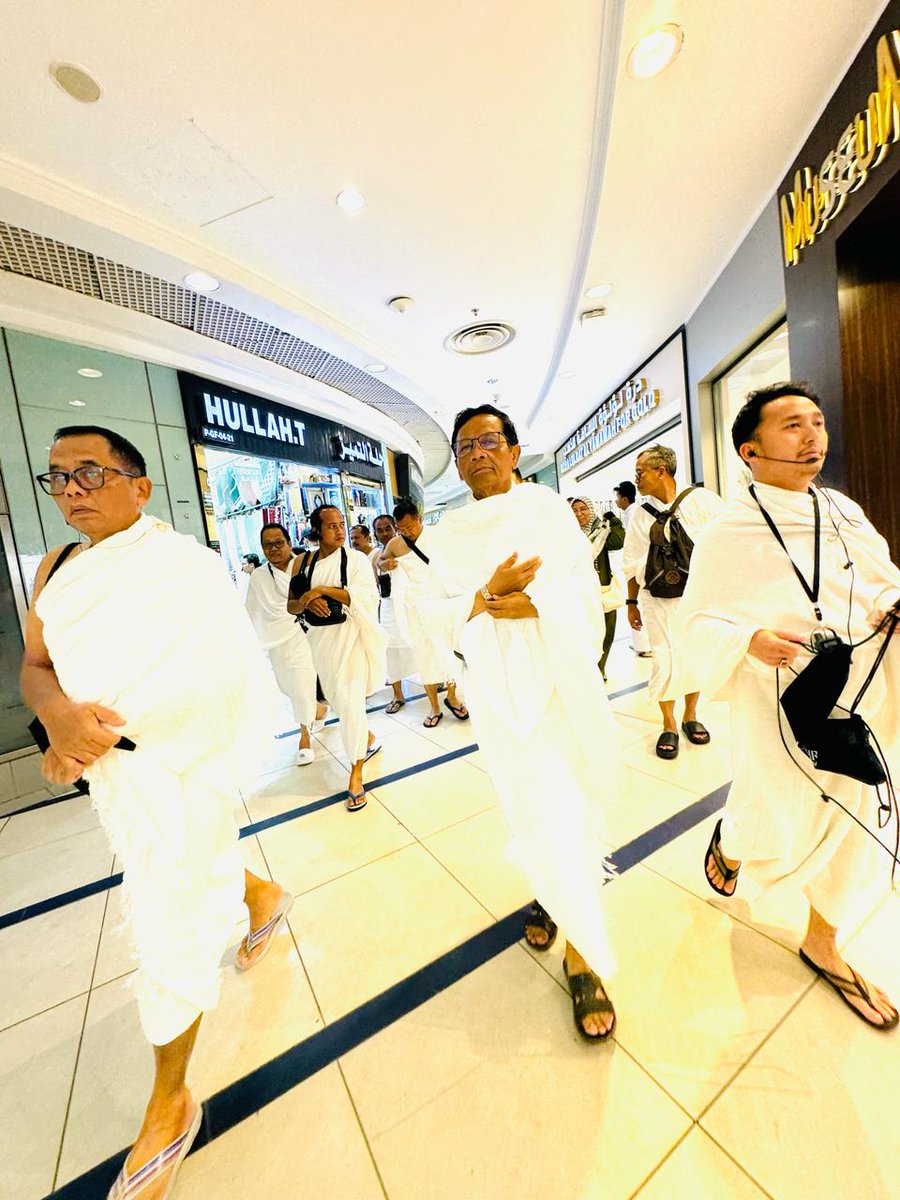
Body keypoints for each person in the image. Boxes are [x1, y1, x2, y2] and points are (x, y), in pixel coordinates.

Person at [21, 426, 293, 1200]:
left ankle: (170, 1103)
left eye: (89, 474)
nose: (71, 490)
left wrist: (124, 733)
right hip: (113, 772)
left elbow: (229, 675)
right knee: (171, 863)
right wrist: (59, 719)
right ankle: (262, 895)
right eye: (58, 478)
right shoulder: (55, 568)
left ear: (140, 487)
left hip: (187, 764)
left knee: (170, 905)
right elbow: (37, 666)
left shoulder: (190, 567)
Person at [679, 382, 899, 1030]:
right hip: (777, 698)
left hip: (862, 689)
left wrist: (890, 605)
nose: (812, 437)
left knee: (860, 813)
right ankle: (734, 842)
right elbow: (696, 624)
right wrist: (747, 639)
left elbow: (884, 578)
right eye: (792, 426)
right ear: (750, 449)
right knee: (771, 811)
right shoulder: (728, 531)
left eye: (817, 423)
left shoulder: (843, 513)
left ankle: (823, 940)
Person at [416, 405, 622, 1042]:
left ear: (513, 449)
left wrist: (528, 602)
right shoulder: (448, 535)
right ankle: (547, 889)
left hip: (559, 683)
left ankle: (583, 951)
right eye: (465, 444)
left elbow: (585, 595)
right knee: (528, 806)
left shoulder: (548, 511)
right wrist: (485, 596)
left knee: (570, 802)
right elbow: (428, 611)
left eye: (489, 440)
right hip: (496, 693)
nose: (477, 452)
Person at [621, 444, 723, 759]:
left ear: (661, 471)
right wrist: (631, 602)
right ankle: (668, 723)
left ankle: (691, 715)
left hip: (696, 597)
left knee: (694, 656)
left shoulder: (703, 502)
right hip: (655, 600)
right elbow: (630, 561)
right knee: (663, 660)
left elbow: (726, 546)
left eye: (640, 472)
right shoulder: (639, 513)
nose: (636, 479)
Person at [287, 504, 386, 810]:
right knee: (338, 699)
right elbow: (291, 605)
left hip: (351, 639)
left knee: (350, 700)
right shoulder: (302, 563)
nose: (340, 530)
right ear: (317, 530)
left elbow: (367, 596)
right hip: (321, 644)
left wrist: (324, 591)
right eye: (331, 526)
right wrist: (306, 601)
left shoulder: (354, 560)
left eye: (342, 524)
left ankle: (356, 771)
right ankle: (367, 738)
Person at [376, 498, 469, 727]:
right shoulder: (396, 544)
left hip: (441, 602)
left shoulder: (437, 536)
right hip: (414, 607)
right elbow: (380, 561)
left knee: (448, 651)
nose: (407, 531)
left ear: (420, 518)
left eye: (410, 526)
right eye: (402, 528)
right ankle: (434, 706)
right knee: (425, 655)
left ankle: (452, 696)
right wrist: (385, 565)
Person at [246, 522, 326, 765]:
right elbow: (251, 611)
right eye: (268, 545)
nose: (274, 549)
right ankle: (319, 710)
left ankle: (304, 737)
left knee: (302, 684)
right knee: (288, 687)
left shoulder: (306, 566)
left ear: (289, 543)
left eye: (279, 543)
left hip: (304, 635)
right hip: (277, 642)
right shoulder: (259, 576)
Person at [569, 497, 625, 681]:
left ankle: (600, 666)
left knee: (607, 631)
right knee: (586, 631)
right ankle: (588, 668)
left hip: (603, 588)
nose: (579, 514)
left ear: (591, 509)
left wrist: (613, 520)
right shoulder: (569, 535)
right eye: (575, 510)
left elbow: (618, 541)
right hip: (579, 590)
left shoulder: (602, 530)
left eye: (583, 509)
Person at [372, 513, 418, 713]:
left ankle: (435, 681)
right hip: (388, 606)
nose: (384, 533)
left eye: (387, 528)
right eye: (379, 530)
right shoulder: (377, 556)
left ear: (395, 527)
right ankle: (398, 694)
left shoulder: (407, 546)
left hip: (412, 604)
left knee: (420, 643)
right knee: (391, 649)